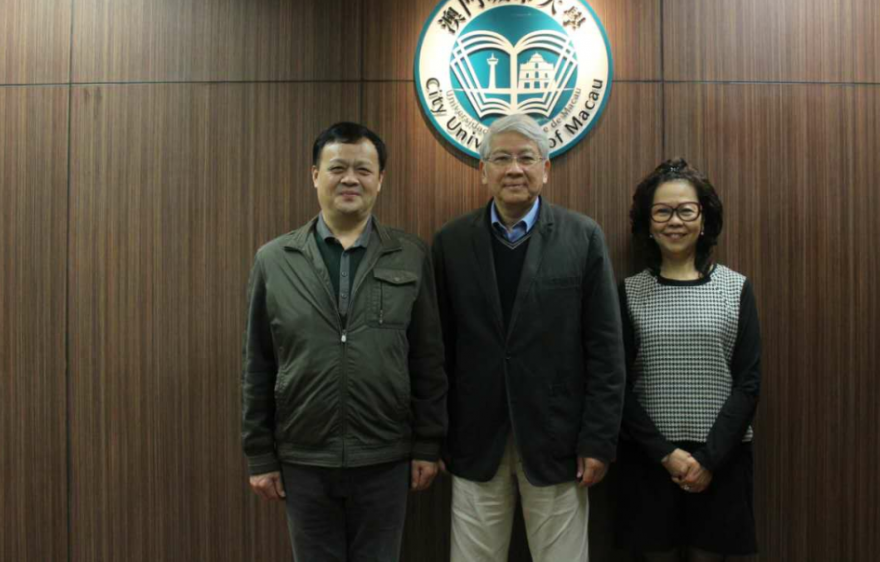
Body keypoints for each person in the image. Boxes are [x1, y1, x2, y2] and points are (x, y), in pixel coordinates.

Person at [241, 122, 447, 562]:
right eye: (337, 168)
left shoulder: (409, 255)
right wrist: (259, 454)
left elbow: (428, 359)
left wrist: (428, 444)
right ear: (314, 175)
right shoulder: (274, 259)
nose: (350, 179)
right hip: (304, 458)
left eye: (363, 169)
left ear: (380, 179)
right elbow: (258, 363)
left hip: (386, 457)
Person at [432, 114, 625, 562]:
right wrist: (433, 436)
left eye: (525, 158)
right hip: (475, 438)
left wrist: (598, 439)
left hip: (559, 439)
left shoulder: (583, 237)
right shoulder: (451, 242)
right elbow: (436, 349)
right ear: (483, 170)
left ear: (546, 167)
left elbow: (605, 349)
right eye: (501, 158)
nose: (514, 169)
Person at [617, 158, 761, 562]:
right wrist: (666, 453)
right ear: (648, 222)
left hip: (722, 458)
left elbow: (748, 384)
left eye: (685, 210)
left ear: (704, 219)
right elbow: (618, 386)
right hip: (650, 459)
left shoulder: (736, 289)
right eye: (662, 211)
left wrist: (707, 458)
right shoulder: (629, 292)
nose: (673, 221)